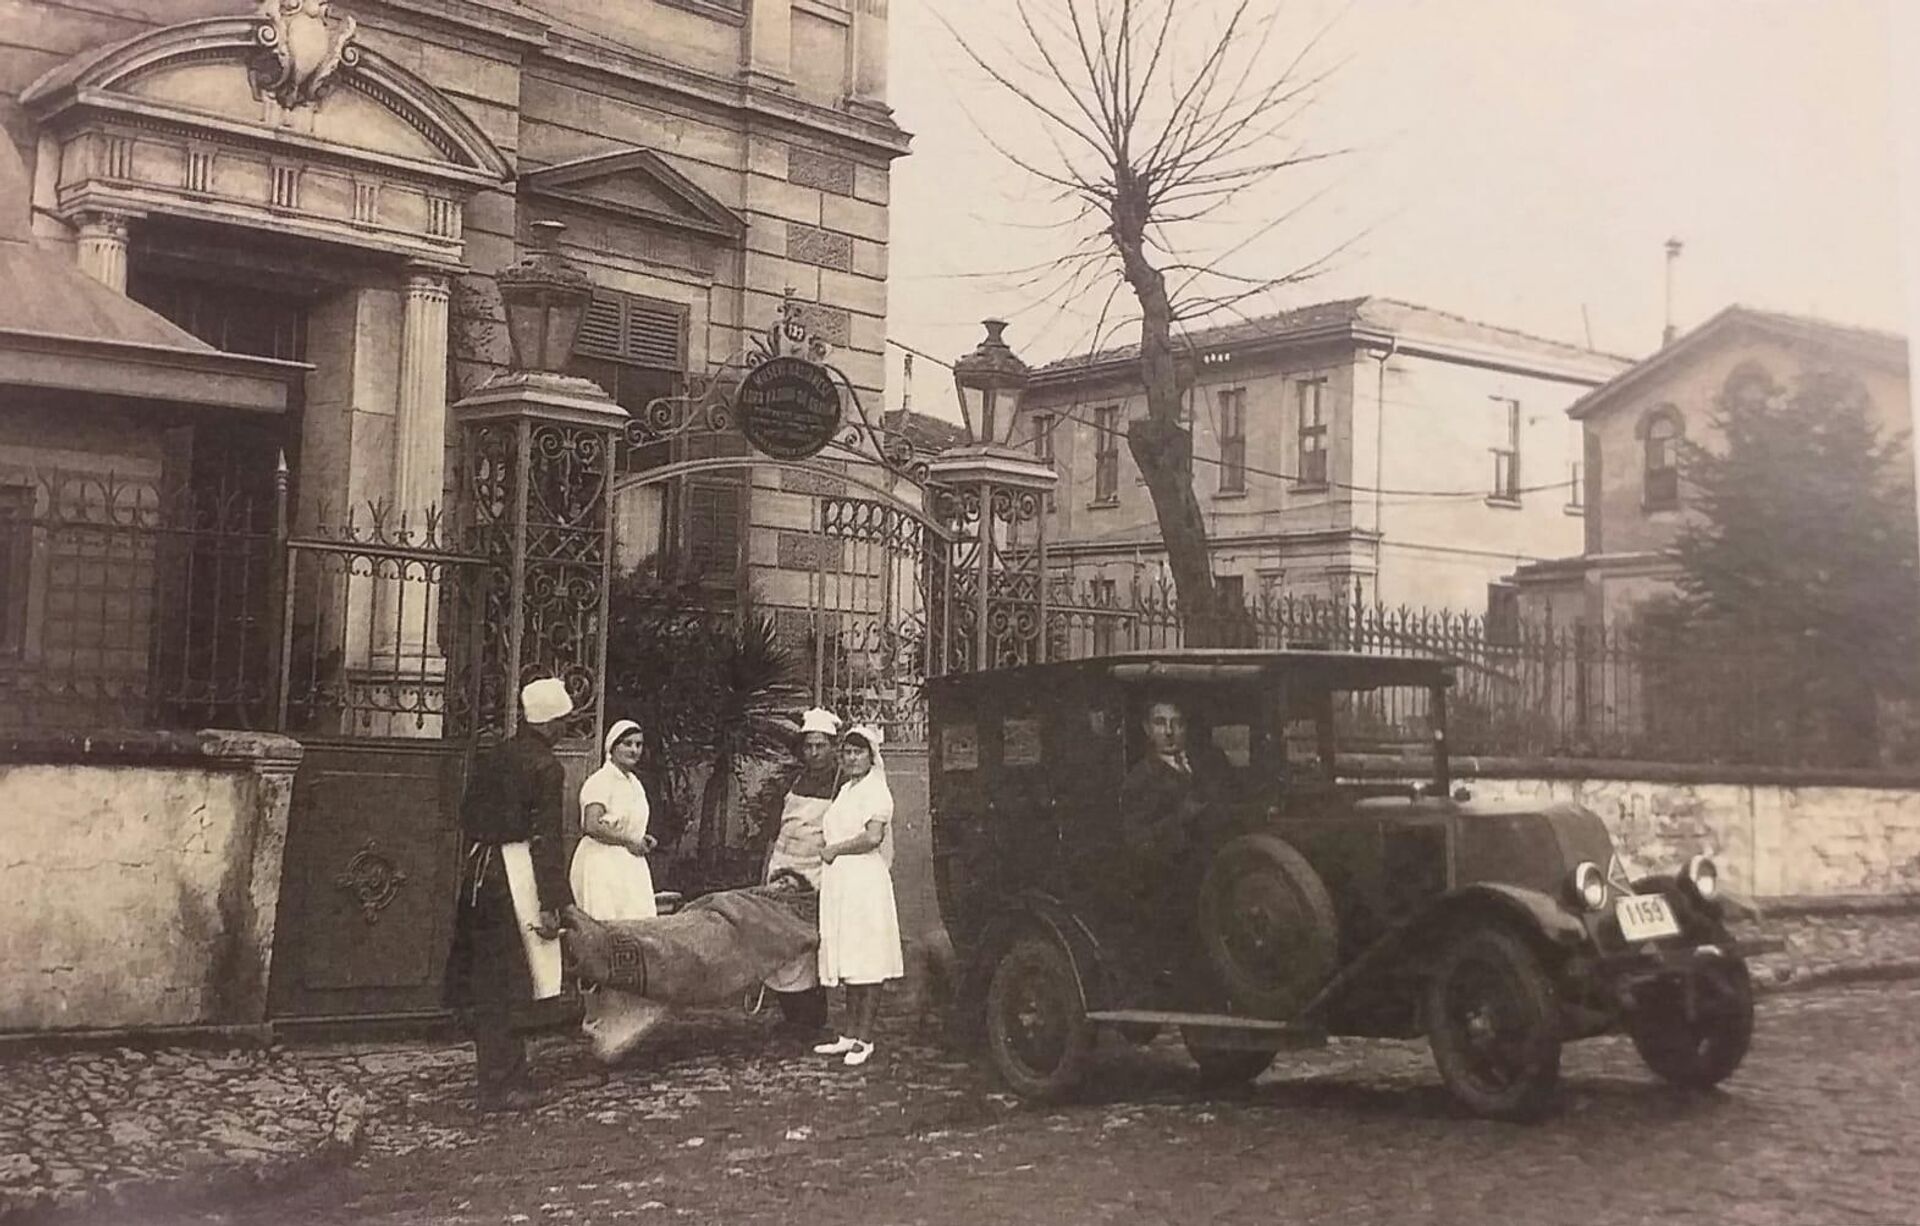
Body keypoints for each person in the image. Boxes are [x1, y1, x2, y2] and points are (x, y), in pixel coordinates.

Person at [444, 677, 575, 1112]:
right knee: (515, 979)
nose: (565, 728)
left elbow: (467, 813)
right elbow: (546, 838)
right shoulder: (547, 767)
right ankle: (505, 1082)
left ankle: (498, 1074)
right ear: (551, 722)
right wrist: (553, 903)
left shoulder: (496, 754)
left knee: (489, 978)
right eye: (564, 720)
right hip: (517, 875)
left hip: (481, 872)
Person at [812, 724, 903, 1067]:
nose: (851, 758)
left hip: (864, 882)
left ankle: (865, 1039)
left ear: (870, 756)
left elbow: (872, 837)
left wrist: (835, 850)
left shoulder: (876, 790)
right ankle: (849, 1034)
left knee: (868, 960)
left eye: (858, 752)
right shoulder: (847, 790)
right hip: (842, 883)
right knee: (851, 958)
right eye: (847, 752)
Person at [761, 707, 842, 1040]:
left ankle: (812, 1019)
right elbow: (775, 829)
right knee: (779, 940)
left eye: (820, 746)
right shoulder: (793, 780)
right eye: (808, 746)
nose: (814, 753)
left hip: (815, 872)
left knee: (807, 942)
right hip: (782, 866)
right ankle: (790, 1016)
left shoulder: (841, 783)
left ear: (833, 747)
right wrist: (766, 869)